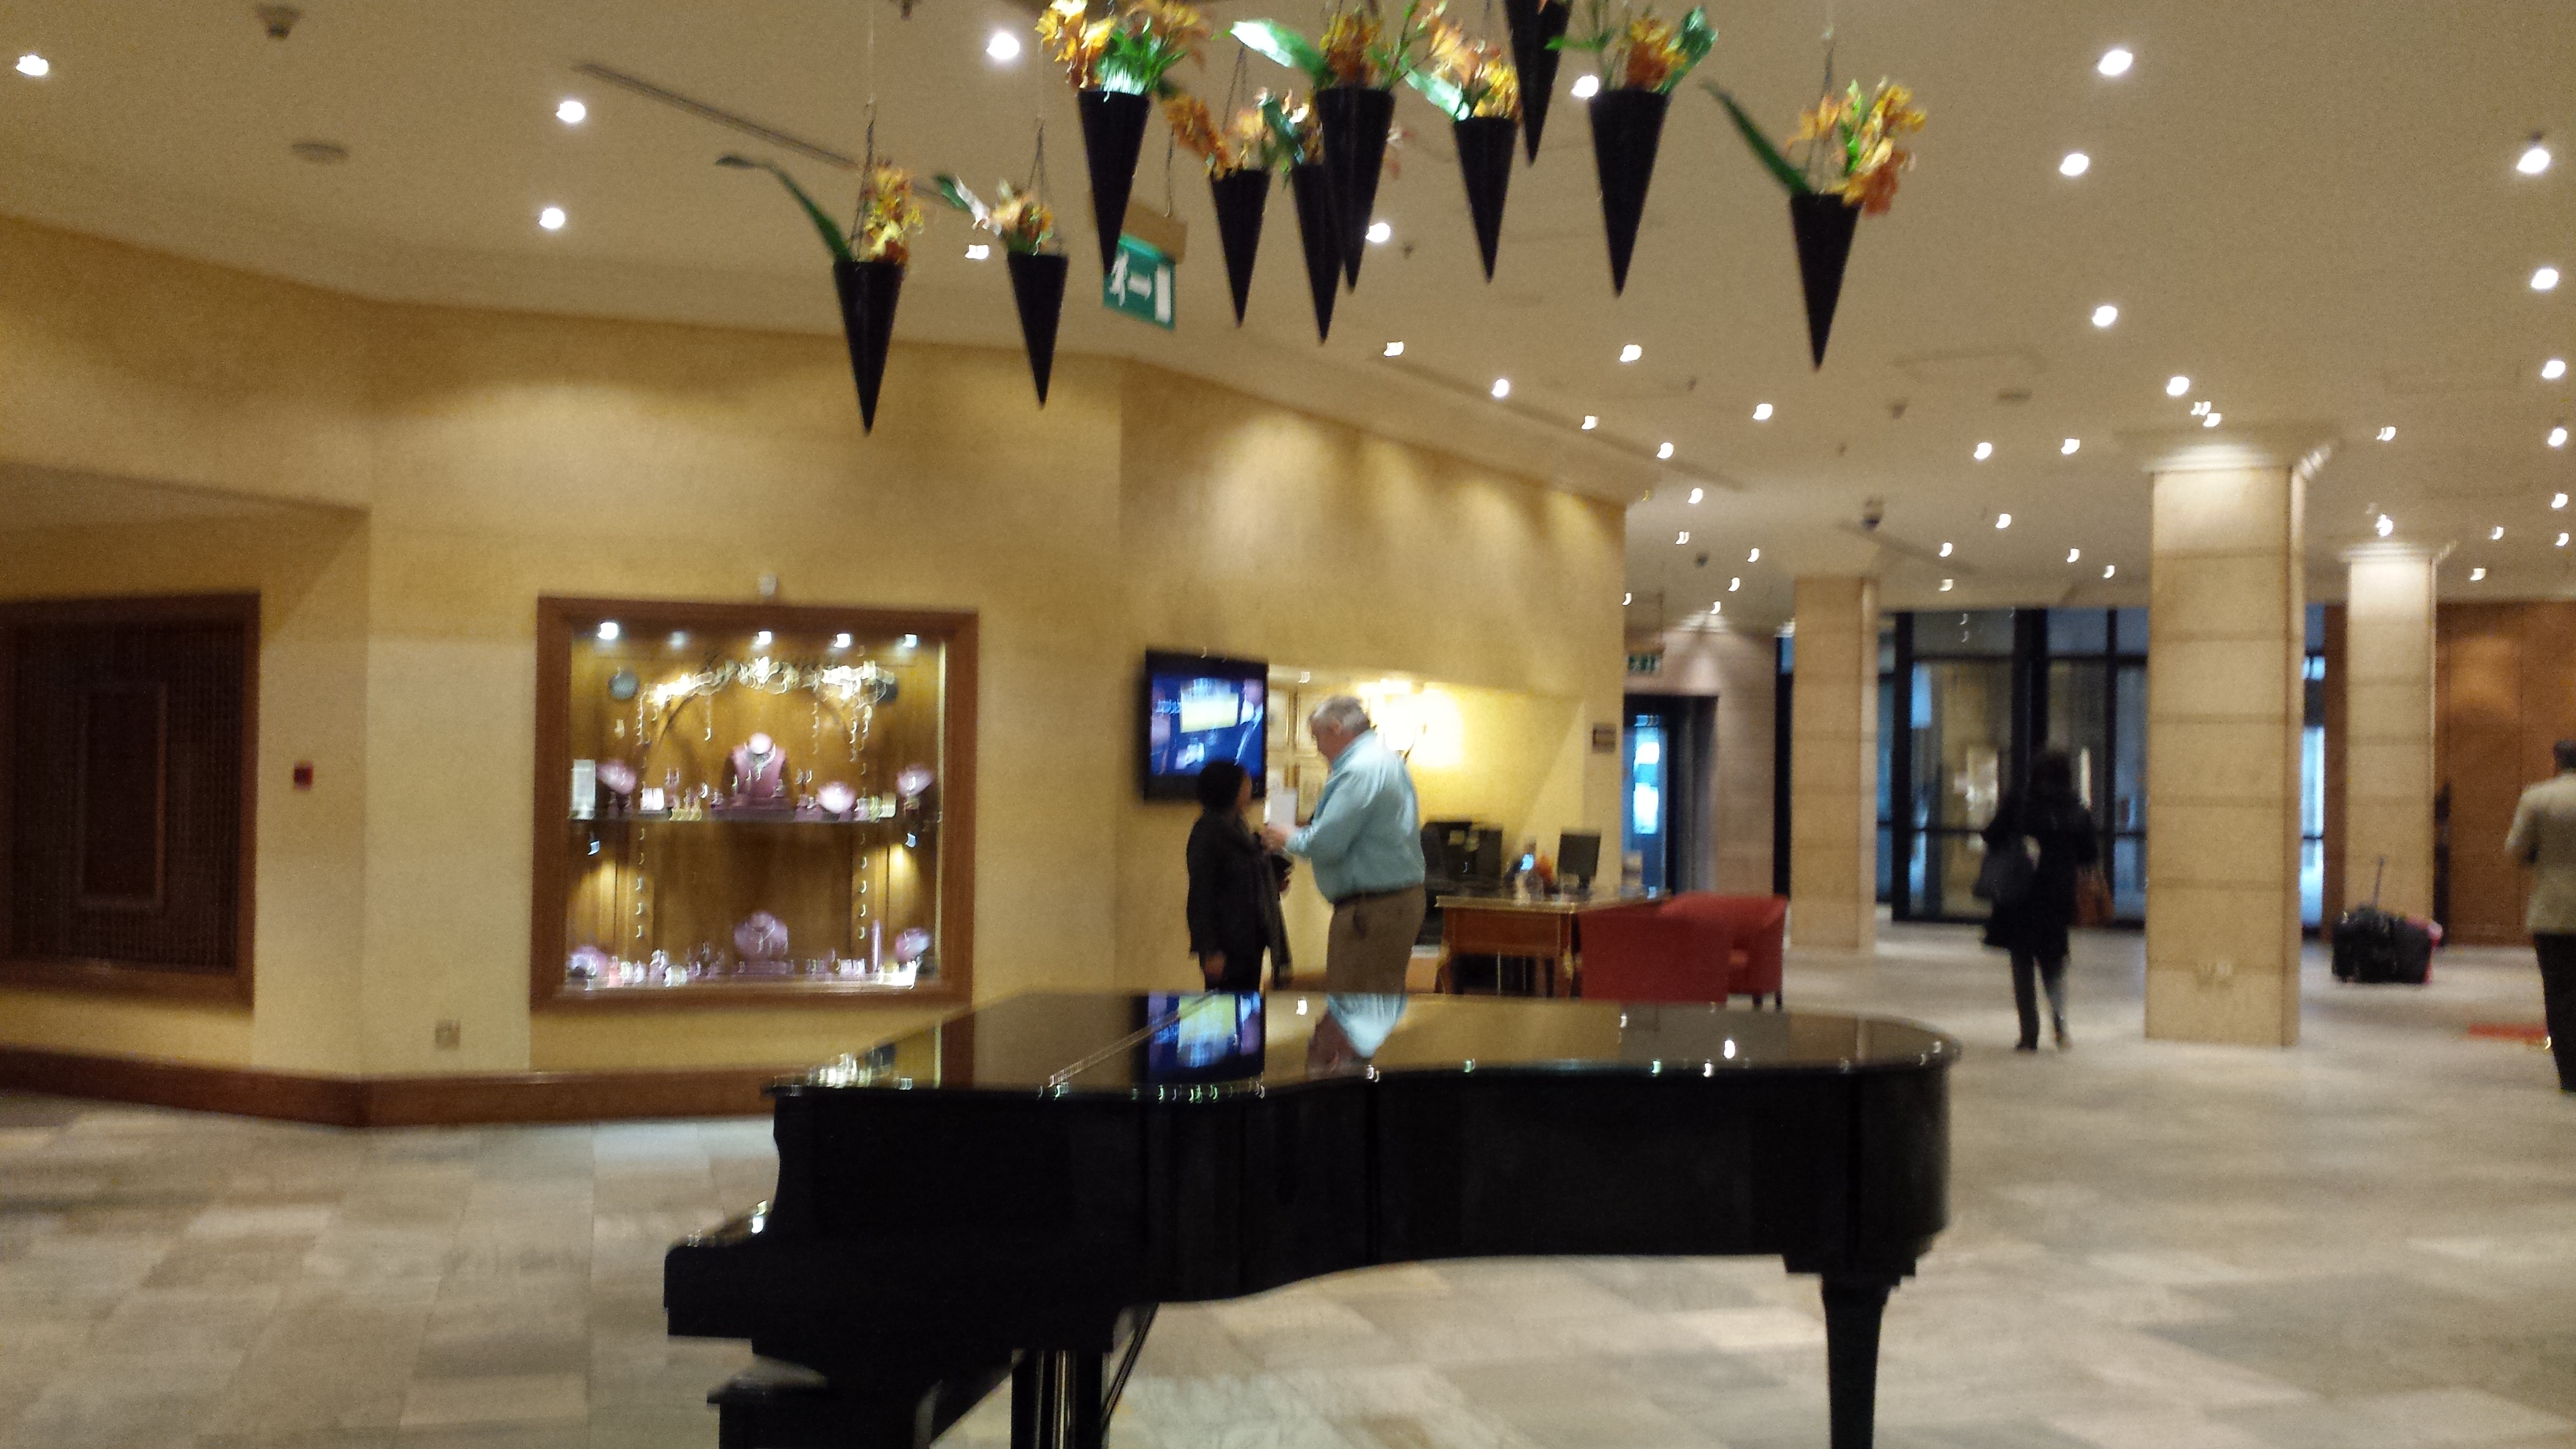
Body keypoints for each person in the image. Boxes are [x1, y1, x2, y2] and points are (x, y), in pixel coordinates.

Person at [1262, 696, 1425, 993]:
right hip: (1388, 904)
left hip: (1373, 909)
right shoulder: (1384, 759)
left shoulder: (1360, 770)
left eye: (1317, 737)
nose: (1317, 748)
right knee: (1371, 999)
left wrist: (1288, 837)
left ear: (1336, 728)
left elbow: (1327, 845)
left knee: (1357, 1002)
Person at [1981, 748, 2100, 1052]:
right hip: (2056, 896)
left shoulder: (2019, 804)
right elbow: (2089, 854)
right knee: (2054, 963)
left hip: (2020, 894)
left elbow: (1992, 835)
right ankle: (2060, 1027)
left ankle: (2029, 1034)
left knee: (2021, 963)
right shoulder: (2076, 811)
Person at [2505, 740, 2576, 1093]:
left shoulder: (2538, 798)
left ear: (2556, 763)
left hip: (2553, 911)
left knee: (2560, 992)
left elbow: (2515, 849)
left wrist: (2540, 859)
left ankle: (2570, 1074)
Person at [1184, 760, 1291, 992]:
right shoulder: (1207, 834)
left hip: (1250, 941)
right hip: (1226, 945)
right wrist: (1210, 950)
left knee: (1247, 1002)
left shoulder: (1240, 830)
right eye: (1245, 784)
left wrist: (1273, 880)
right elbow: (1201, 896)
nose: (1251, 788)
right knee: (1225, 1006)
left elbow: (1247, 878)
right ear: (1229, 789)